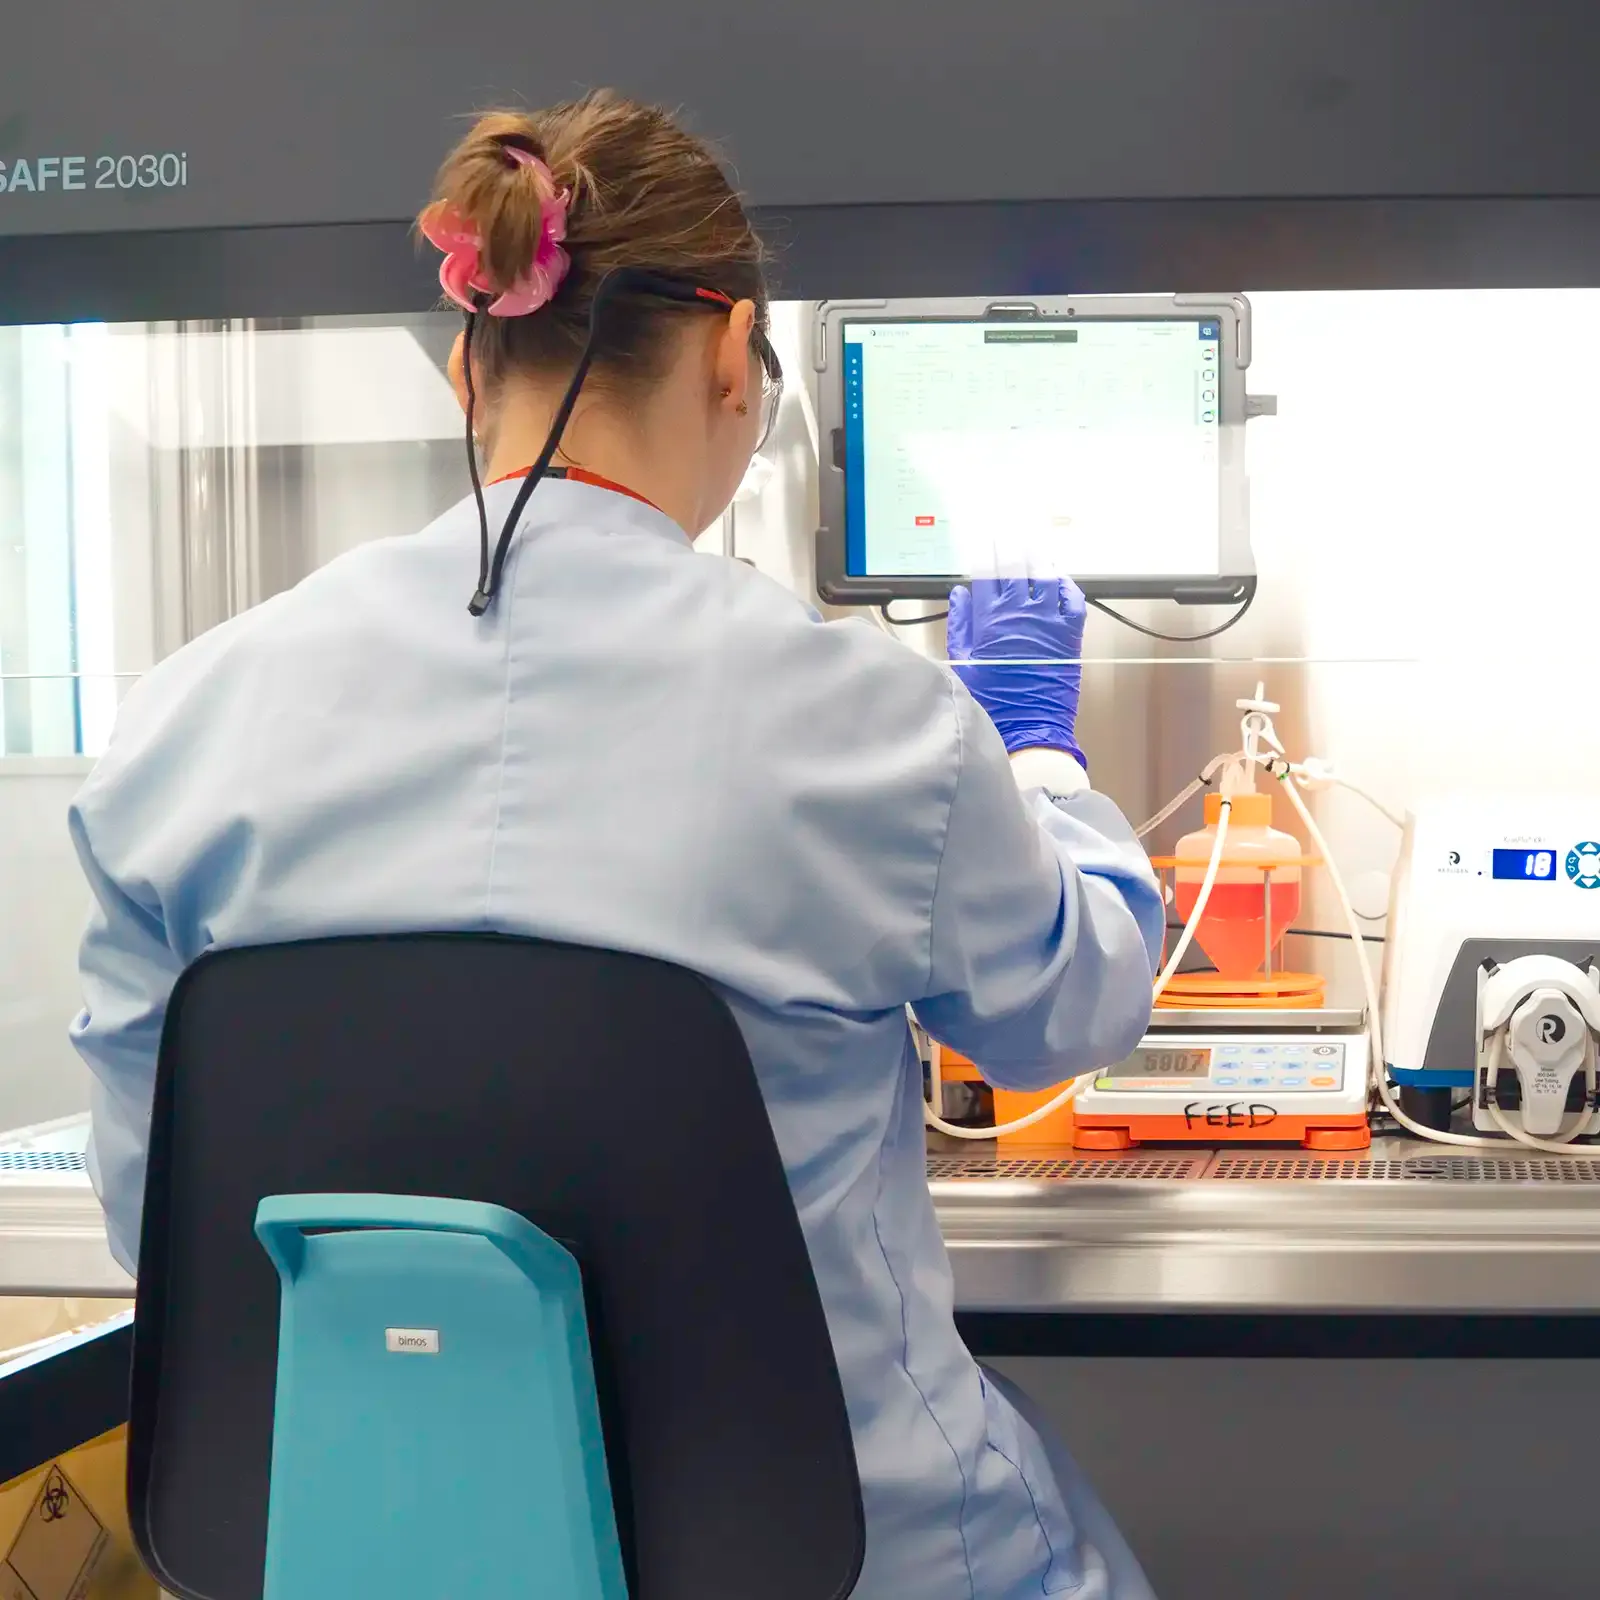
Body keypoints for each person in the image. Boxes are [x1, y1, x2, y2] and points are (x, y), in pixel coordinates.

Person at [68, 92, 1163, 1599]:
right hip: (845, 1560)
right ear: (732, 357)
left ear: (469, 367)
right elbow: (1069, 1018)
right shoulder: (873, 727)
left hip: (369, 1550)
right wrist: (1038, 745)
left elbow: (162, 1226)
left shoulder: (175, 730)